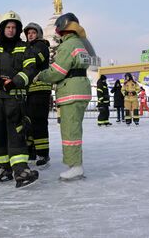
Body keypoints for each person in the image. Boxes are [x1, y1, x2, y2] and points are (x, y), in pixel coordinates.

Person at [0, 11, 39, 188]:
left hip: (14, 99)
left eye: (14, 27)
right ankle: (4, 167)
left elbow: (31, 69)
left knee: (16, 134)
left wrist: (15, 82)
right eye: (8, 27)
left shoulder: (25, 48)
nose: (11, 30)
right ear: (2, 28)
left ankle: (20, 170)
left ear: (18, 29)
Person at [38, 12, 91, 181]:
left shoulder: (68, 46)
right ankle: (76, 164)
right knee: (75, 128)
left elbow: (58, 71)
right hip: (81, 89)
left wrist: (41, 76)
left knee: (70, 130)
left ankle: (75, 166)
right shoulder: (80, 44)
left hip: (71, 91)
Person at [23, 22, 53, 168]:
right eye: (28, 33)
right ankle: (32, 151)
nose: (30, 35)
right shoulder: (28, 47)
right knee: (29, 122)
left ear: (39, 34)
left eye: (33, 33)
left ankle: (43, 153)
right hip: (30, 91)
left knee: (39, 122)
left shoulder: (41, 46)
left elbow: (34, 60)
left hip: (40, 90)